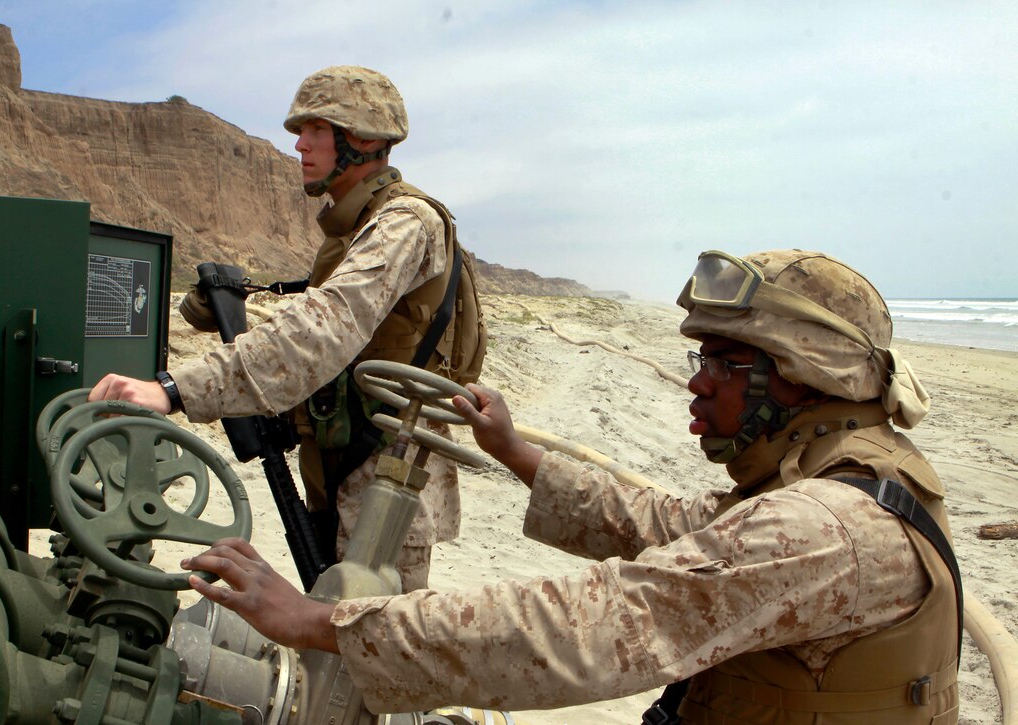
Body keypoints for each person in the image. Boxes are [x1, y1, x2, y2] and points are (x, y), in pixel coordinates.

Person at [180, 249, 960, 723]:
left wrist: (325, 623)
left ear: (801, 376)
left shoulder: (826, 525)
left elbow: (592, 623)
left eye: (724, 364)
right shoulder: (828, 480)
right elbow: (662, 522)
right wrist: (516, 451)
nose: (698, 383)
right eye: (700, 360)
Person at [90, 65, 484, 592]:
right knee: (330, 621)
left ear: (364, 139)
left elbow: (324, 328)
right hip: (350, 465)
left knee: (368, 631)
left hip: (383, 479)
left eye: (316, 130)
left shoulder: (405, 222)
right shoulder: (356, 226)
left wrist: (175, 389)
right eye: (300, 131)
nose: (299, 144)